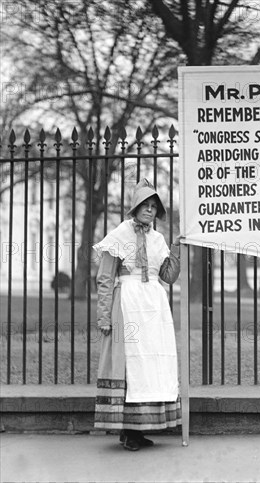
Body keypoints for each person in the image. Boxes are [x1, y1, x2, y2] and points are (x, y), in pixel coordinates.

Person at [93, 178, 182, 451]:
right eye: (145, 205)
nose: (150, 210)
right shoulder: (119, 235)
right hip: (128, 304)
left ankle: (142, 427)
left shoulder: (158, 240)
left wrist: (176, 249)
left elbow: (168, 276)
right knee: (131, 364)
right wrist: (104, 316)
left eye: (154, 206)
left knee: (151, 365)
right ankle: (128, 430)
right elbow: (105, 278)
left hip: (155, 305)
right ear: (135, 208)